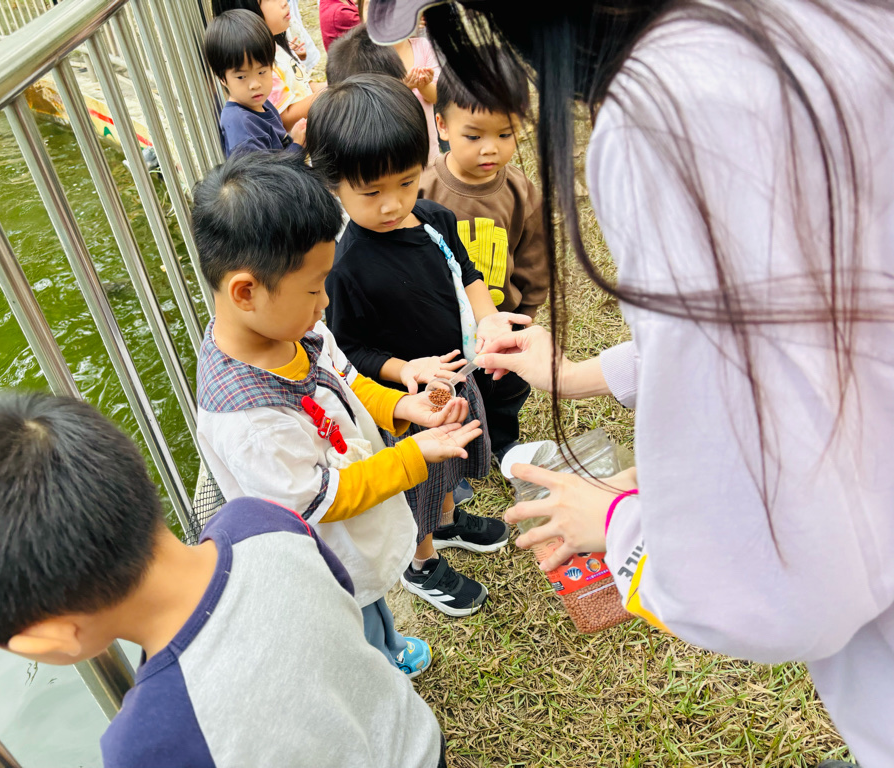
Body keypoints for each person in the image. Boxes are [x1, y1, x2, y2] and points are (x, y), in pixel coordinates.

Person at [367, 0, 894, 764]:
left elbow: (783, 582)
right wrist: (576, 377)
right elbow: (802, 342)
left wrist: (621, 522)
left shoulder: (668, 113)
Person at [0, 392, 448, 767]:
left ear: (49, 639)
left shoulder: (146, 741)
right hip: (417, 743)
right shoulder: (261, 521)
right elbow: (340, 594)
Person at [192, 150, 483, 669]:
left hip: (356, 524)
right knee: (356, 621)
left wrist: (402, 406)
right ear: (245, 291)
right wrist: (414, 456)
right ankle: (379, 670)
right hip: (325, 555)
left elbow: (346, 381)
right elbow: (325, 498)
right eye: (313, 288)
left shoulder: (292, 329)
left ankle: (389, 645)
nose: (325, 302)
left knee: (373, 600)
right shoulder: (251, 423)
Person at [307, 74, 528, 617]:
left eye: (406, 183)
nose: (392, 204)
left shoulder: (434, 220)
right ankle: (421, 560)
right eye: (371, 193)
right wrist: (405, 369)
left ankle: (447, 523)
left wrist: (489, 320)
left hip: (454, 377)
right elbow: (350, 350)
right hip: (404, 404)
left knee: (449, 464)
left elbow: (468, 274)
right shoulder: (346, 266)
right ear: (335, 186)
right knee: (418, 483)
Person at [419, 53, 549, 463]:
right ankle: (456, 449)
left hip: (501, 326)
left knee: (507, 389)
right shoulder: (423, 191)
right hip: (444, 331)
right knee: (449, 394)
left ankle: (503, 441)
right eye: (473, 136)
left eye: (505, 134)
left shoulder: (521, 192)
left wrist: (525, 311)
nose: (490, 148)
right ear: (443, 125)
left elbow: (533, 260)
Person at [326, 24, 442, 162]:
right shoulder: (361, 59)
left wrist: (423, 85)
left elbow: (438, 97)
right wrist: (403, 87)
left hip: (426, 149)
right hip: (387, 156)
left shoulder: (423, 47)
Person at [203, 10, 306, 156]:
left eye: (262, 72)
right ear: (222, 78)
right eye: (241, 77)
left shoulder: (260, 103)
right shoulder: (241, 126)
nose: (255, 84)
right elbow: (264, 171)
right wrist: (297, 146)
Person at [211, 0, 324, 130]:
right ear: (246, 10)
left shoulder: (275, 47)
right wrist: (330, 95)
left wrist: (335, 88)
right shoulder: (260, 67)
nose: (284, 2)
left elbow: (306, 86)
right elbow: (285, 118)